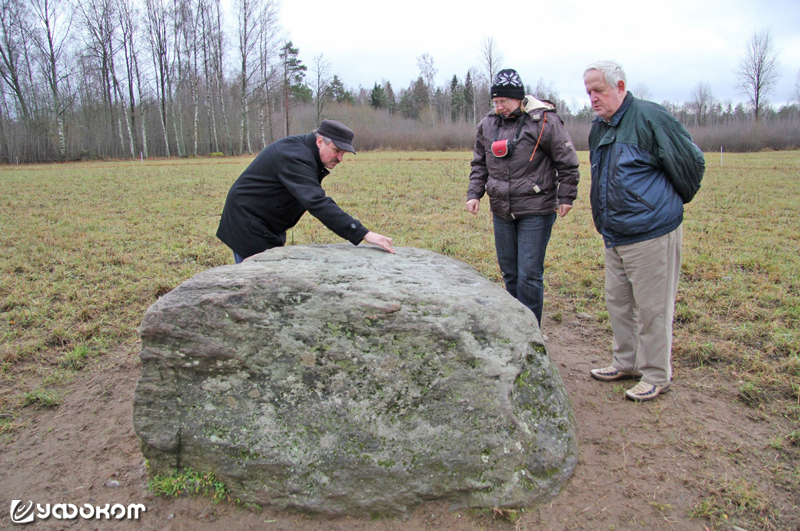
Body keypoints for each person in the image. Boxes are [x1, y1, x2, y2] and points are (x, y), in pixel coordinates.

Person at [583, 60, 705, 401]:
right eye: (589, 92)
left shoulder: (651, 117)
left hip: (652, 233)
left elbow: (691, 163)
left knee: (653, 308)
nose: (593, 98)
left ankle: (656, 374)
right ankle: (626, 363)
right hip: (615, 233)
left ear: (620, 87)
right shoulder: (599, 127)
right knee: (618, 303)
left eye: (599, 90)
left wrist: (663, 205)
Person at [466, 68, 580, 327]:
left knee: (529, 274)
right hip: (501, 209)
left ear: (518, 98)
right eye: (495, 102)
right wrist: (475, 193)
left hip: (536, 209)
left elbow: (567, 162)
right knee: (510, 273)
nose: (499, 107)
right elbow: (479, 164)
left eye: (504, 101)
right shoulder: (487, 124)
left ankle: (532, 331)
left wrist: (567, 196)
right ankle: (516, 327)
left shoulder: (544, 122)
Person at [216, 119, 395, 262]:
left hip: (264, 223)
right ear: (319, 141)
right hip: (247, 224)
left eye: (344, 153)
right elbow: (316, 202)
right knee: (257, 286)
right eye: (336, 150)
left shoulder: (305, 152)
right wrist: (363, 233)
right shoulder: (295, 157)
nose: (340, 158)